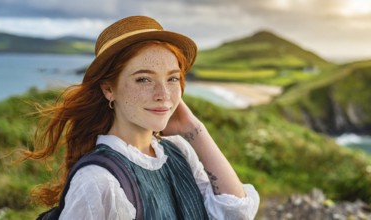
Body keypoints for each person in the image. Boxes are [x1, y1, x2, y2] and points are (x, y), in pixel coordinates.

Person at [24, 15, 260, 219]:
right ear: (109, 89)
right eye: (144, 79)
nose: (163, 95)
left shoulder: (179, 151)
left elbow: (236, 214)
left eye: (172, 78)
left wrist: (194, 129)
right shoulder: (97, 181)